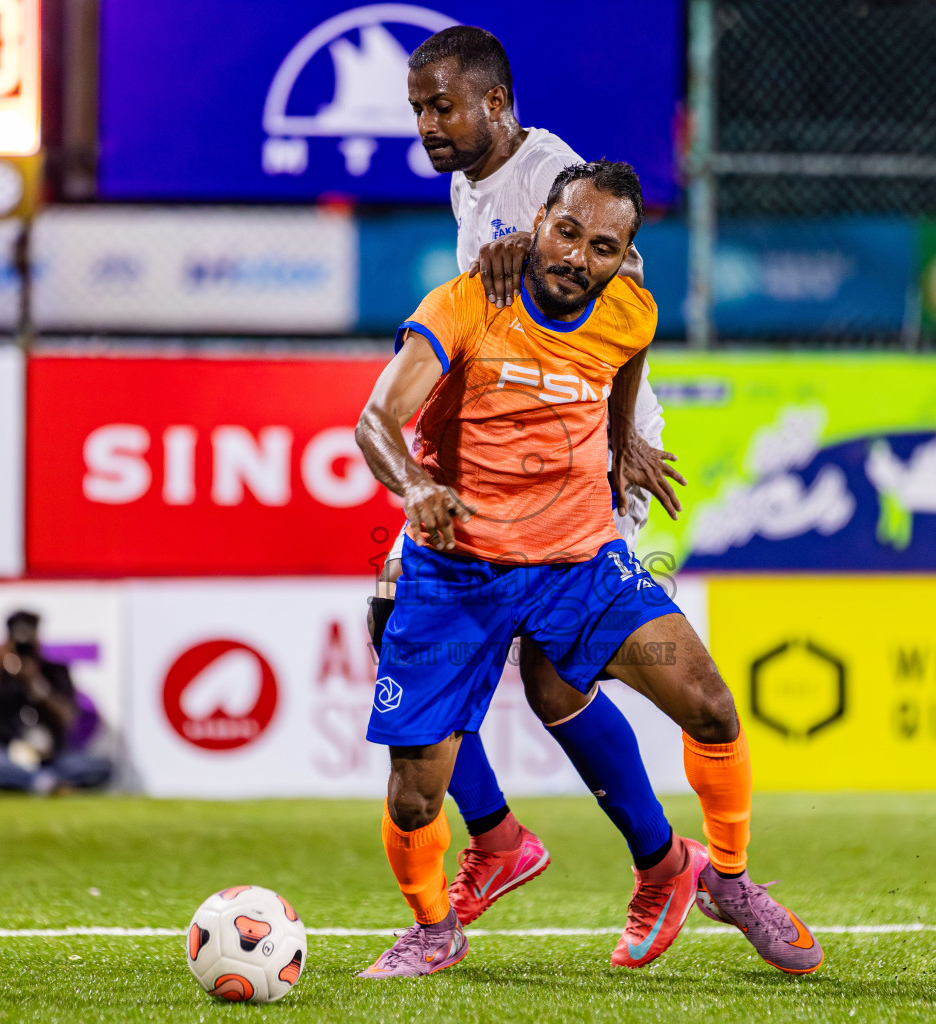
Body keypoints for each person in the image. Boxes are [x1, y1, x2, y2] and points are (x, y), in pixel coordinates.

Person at [353, 161, 824, 979]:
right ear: (539, 219)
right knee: (414, 795)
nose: (577, 256)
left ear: (625, 258)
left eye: (602, 246)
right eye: (567, 232)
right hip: (459, 570)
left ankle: (729, 881)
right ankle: (434, 928)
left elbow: (627, 354)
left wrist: (623, 440)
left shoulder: (629, 310)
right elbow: (375, 419)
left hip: (579, 563)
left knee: (710, 705)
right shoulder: (467, 303)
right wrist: (418, 485)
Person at [363, 25, 688, 963]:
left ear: (494, 104)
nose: (427, 124)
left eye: (442, 106)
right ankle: (507, 839)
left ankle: (651, 859)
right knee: (396, 622)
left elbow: (621, 278)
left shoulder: (551, 169)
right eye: (419, 108)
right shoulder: (472, 179)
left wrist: (625, 433)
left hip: (579, 448)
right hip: (516, 447)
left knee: (552, 675)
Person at [0, 610, 112, 795]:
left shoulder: (55, 671)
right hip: (9, 757)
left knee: (101, 764)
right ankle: (47, 783)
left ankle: (40, 781)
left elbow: (69, 719)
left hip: (54, 757)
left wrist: (36, 683)